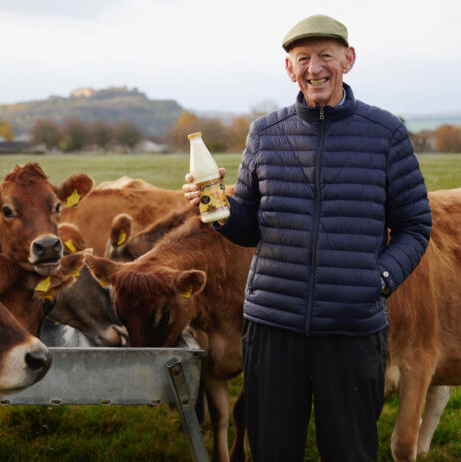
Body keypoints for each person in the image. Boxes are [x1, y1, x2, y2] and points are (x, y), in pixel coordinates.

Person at [183, 13, 432, 462]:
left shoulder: (385, 133)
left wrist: (378, 279)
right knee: (273, 449)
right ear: (289, 69)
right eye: (303, 59)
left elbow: (415, 225)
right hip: (273, 326)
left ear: (348, 60)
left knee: (351, 450)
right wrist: (216, 210)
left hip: (353, 326)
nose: (314, 68)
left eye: (325, 56)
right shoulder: (265, 133)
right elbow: (249, 224)